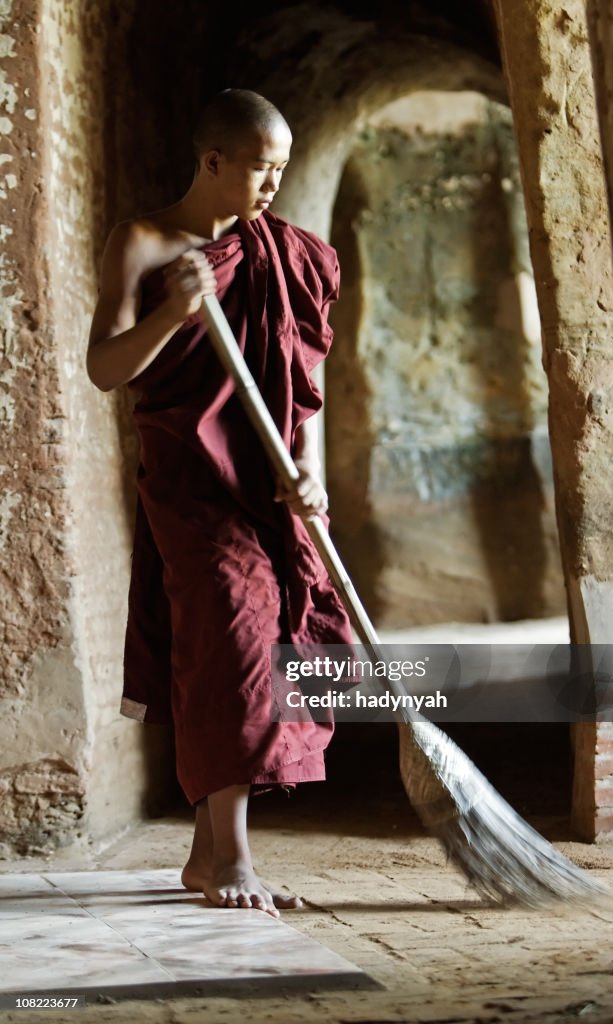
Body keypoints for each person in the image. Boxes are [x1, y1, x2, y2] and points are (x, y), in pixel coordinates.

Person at [86, 88, 354, 918]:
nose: (273, 186)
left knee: (272, 644)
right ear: (212, 162)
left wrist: (310, 473)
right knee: (234, 644)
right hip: (190, 484)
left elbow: (305, 384)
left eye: (282, 169)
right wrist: (174, 310)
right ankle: (234, 858)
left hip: (268, 484)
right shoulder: (143, 240)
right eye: (260, 170)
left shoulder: (284, 256)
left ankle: (209, 860)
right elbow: (105, 367)